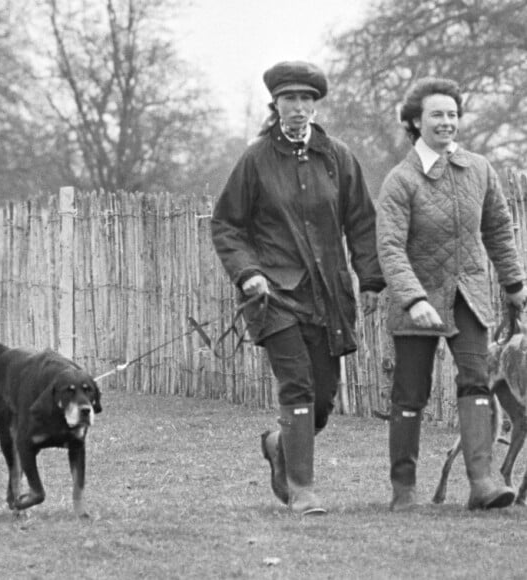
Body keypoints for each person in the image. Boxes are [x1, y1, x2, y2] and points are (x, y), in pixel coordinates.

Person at [211, 61, 385, 515]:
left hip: (327, 297)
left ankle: (277, 443)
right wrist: (248, 272)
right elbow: (227, 225)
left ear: (315, 105)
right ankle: (303, 489)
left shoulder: (338, 156)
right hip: (273, 295)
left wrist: (369, 278)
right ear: (277, 105)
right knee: (297, 386)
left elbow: (362, 222)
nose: (299, 108)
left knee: (323, 400)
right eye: (290, 99)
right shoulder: (255, 159)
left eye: (307, 99)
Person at [376, 77, 527, 512]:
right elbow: (388, 247)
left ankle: (483, 483)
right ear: (415, 122)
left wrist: (514, 285)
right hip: (417, 301)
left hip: (470, 295)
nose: (446, 122)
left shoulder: (478, 168)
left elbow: (498, 227)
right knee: (410, 392)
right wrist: (414, 299)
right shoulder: (400, 181)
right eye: (436, 115)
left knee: (476, 380)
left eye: (452, 114)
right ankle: (404, 489)